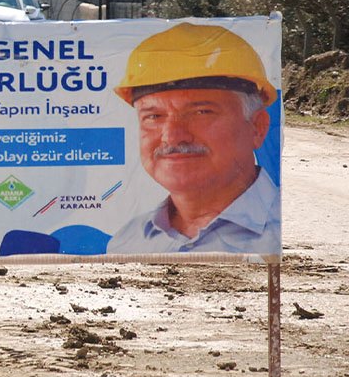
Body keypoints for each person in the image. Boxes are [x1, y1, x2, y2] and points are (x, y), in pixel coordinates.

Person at [106, 23, 279, 255]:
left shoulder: (285, 238)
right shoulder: (128, 241)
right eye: (154, 116)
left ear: (257, 128)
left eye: (201, 112)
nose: (173, 137)